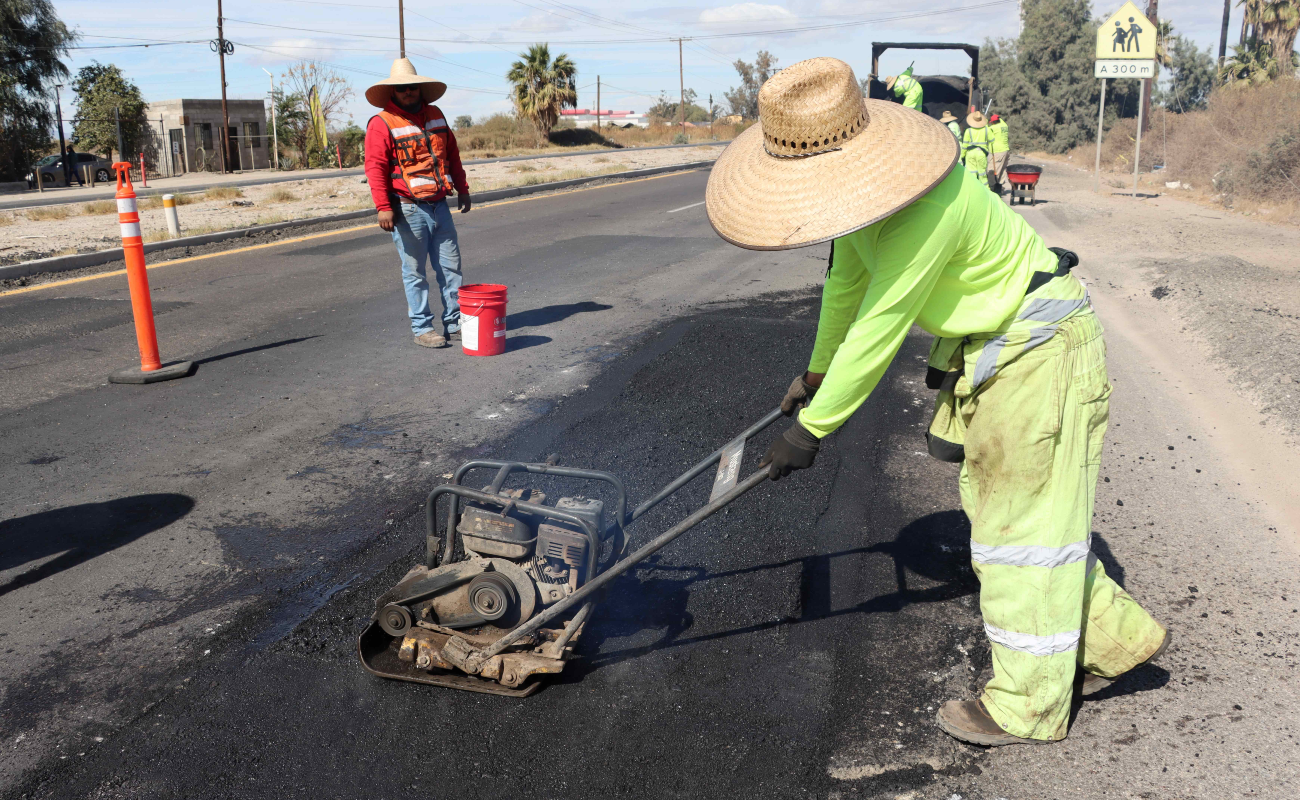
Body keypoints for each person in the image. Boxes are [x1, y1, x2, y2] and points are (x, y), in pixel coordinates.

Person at [704, 57, 1168, 746]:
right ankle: (1116, 641)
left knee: (1022, 535)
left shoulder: (923, 204)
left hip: (1041, 351)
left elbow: (883, 324)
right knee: (1017, 519)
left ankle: (1028, 706)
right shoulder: (863, 203)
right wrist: (816, 374)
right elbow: (846, 291)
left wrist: (814, 430)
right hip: (1000, 349)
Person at [364, 57, 471, 349]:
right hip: (407, 208)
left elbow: (453, 155)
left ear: (420, 88)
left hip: (440, 205)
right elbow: (375, 168)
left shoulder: (436, 114)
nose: (408, 92)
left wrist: (463, 189)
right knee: (415, 272)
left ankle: (455, 321)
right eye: (402, 88)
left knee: (451, 269)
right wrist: (383, 207)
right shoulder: (381, 123)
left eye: (412, 87)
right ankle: (423, 328)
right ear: (393, 93)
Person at [960, 109, 995, 188]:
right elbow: (992, 140)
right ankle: (986, 192)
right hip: (981, 154)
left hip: (970, 154)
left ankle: (972, 191)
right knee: (982, 174)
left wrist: (962, 156)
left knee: (972, 174)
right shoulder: (987, 130)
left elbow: (964, 145)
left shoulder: (968, 131)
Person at [988, 113, 1010, 187]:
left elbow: (986, 130)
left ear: (993, 122)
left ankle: (992, 187)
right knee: (1002, 169)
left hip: (997, 151)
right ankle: (1001, 186)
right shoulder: (1005, 125)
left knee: (992, 170)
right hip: (1006, 150)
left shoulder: (993, 128)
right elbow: (1000, 120)